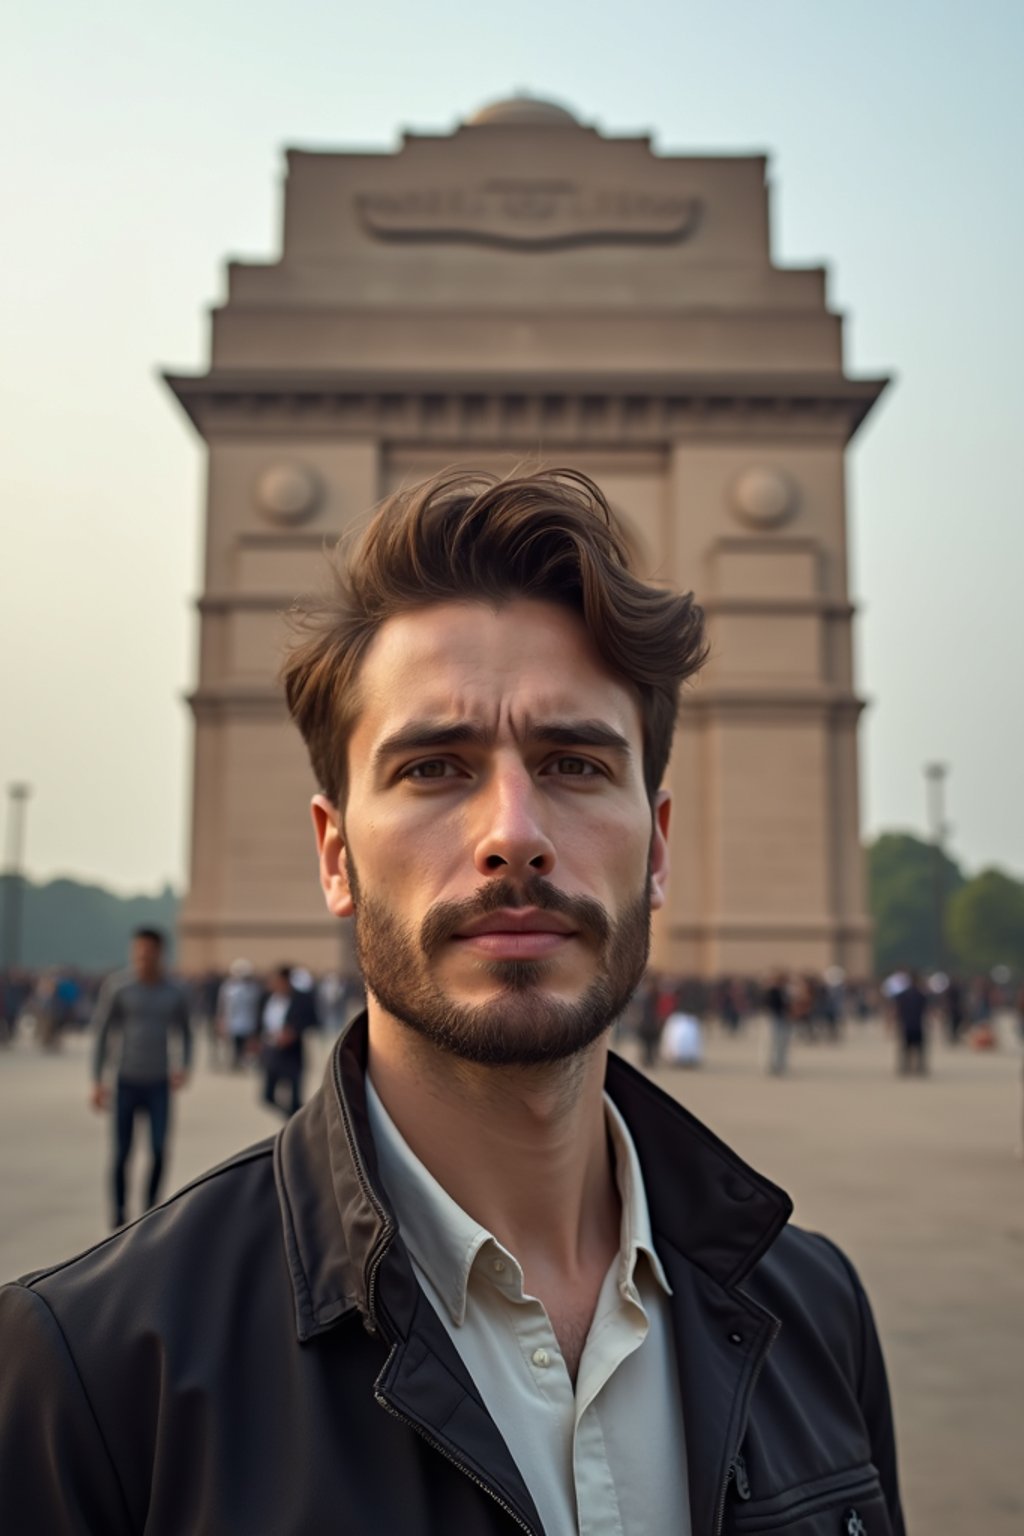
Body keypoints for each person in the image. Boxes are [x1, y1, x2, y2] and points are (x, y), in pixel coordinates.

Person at [0, 470, 904, 1534]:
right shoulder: (94, 1374)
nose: (511, 832)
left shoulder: (816, 1314)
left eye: (571, 761)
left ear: (655, 847)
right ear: (335, 853)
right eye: (434, 767)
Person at [87, 927, 192, 1228]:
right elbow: (104, 1034)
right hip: (126, 1079)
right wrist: (97, 1080)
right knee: (122, 1153)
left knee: (159, 1149)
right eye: (138, 952)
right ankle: (119, 1216)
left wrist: (184, 1065)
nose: (142, 957)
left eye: (148, 952)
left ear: (160, 953)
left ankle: (150, 1210)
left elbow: (186, 1032)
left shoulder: (174, 991)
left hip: (158, 1082)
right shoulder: (119, 987)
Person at [258, 964, 316, 1117]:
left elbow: (312, 1019)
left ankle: (297, 1122)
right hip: (271, 1051)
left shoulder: (301, 999)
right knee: (267, 1096)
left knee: (295, 1098)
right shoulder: (267, 998)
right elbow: (259, 1021)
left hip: (292, 1054)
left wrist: (294, 1032)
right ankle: (292, 1120)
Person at [216, 957, 262, 1070]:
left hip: (248, 1021)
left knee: (246, 1045)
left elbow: (256, 1006)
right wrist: (221, 1020)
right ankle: (235, 1061)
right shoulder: (228, 987)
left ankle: (242, 1061)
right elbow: (223, 1005)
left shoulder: (254, 988)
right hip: (233, 1021)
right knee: (234, 1044)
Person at [893, 968, 929, 1076]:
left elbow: (897, 1010)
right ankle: (919, 1067)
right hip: (917, 1024)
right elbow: (926, 1010)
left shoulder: (902, 995)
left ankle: (905, 1067)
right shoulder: (921, 995)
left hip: (906, 1024)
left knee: (906, 1048)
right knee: (919, 1048)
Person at [764, 968, 792, 1075]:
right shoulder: (772, 991)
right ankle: (774, 1065)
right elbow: (769, 1005)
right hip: (776, 1018)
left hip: (784, 1019)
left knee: (783, 1043)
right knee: (775, 1043)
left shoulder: (785, 991)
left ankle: (780, 1064)